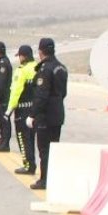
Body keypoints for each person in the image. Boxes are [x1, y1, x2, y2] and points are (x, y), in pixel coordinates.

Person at [27, 37, 68, 190]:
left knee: (44, 150)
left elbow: (41, 95)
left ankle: (45, 179)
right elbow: (63, 93)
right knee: (54, 148)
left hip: (45, 116)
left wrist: (32, 114)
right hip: (57, 113)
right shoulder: (61, 68)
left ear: (41, 51)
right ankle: (52, 177)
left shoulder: (45, 69)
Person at [6, 45, 37, 174]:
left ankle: (27, 165)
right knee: (31, 138)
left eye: (19, 56)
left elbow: (16, 92)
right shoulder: (37, 68)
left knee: (23, 138)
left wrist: (9, 110)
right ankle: (32, 163)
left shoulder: (21, 71)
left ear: (23, 56)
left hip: (22, 110)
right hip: (34, 109)